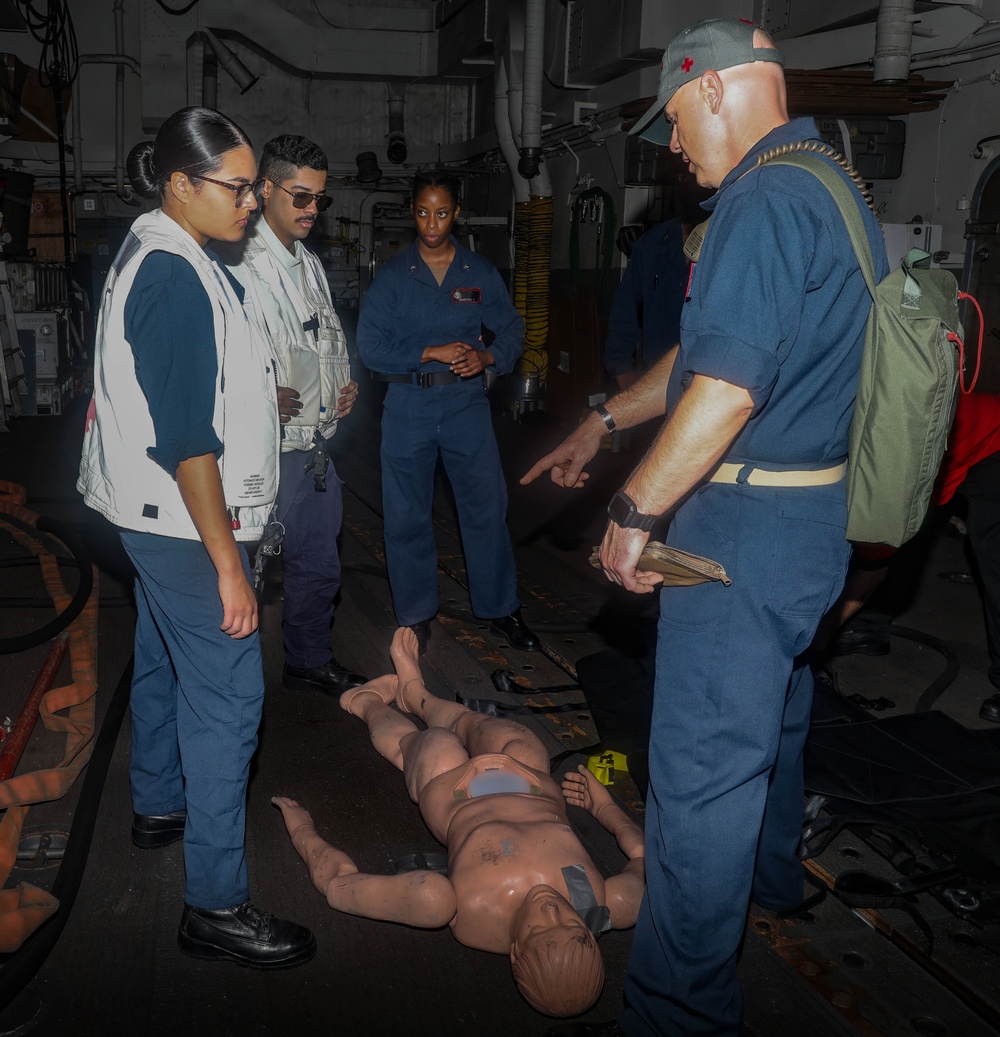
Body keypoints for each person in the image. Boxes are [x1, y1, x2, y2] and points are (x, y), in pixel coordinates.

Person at [523, 18, 887, 1035]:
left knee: (696, 784)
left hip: (742, 527)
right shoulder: (829, 182)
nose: (674, 147)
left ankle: (679, 1008)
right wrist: (600, 419)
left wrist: (633, 511)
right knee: (771, 722)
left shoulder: (761, 200)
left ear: (718, 89)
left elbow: (724, 390)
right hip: (812, 523)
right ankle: (774, 877)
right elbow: (702, 358)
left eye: (676, 118)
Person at [77, 107, 315, 969]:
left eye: (254, 186)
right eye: (239, 186)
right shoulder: (174, 275)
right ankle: (215, 903)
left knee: (160, 654)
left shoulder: (170, 250)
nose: (252, 201)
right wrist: (230, 568)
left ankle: (158, 803)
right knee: (228, 699)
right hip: (184, 523)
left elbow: (197, 385)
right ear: (181, 184)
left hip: (152, 520)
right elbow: (186, 440)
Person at [272, 626, 645, 1017]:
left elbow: (339, 886)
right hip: (530, 781)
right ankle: (415, 692)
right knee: (513, 738)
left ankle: (364, 702)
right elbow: (644, 858)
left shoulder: (461, 911)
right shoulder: (604, 904)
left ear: (516, 949)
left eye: (539, 928)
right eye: (571, 924)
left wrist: (302, 829)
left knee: (432, 746)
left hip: (455, 796)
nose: (552, 908)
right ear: (589, 933)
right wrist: (604, 807)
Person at [356, 170, 539, 654]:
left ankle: (501, 607)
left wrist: (488, 357)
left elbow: (514, 331)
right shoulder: (394, 278)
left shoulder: (479, 274)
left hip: (465, 407)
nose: (431, 224)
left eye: (441, 213)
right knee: (406, 514)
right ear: (411, 212)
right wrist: (429, 352)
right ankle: (414, 613)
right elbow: (370, 348)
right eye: (422, 212)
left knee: (485, 508)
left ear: (457, 212)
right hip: (408, 406)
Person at [225, 134, 366, 696]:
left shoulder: (308, 262)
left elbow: (322, 337)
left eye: (320, 201)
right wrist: (258, 393)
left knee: (318, 567)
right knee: (240, 572)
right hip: (261, 449)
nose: (312, 211)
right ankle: (228, 677)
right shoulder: (238, 259)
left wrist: (341, 388)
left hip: (313, 447)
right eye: (301, 198)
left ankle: (308, 659)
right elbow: (221, 353)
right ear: (265, 189)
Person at [604, 218, 688, 391]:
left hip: (704, 387)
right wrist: (623, 372)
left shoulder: (727, 242)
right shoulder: (654, 243)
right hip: (654, 383)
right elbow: (623, 312)